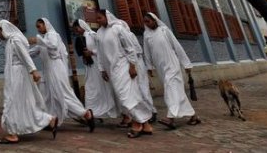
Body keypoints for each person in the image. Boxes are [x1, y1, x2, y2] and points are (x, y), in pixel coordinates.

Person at [0, 20, 57, 144]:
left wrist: (33, 71)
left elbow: (25, 56)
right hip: (16, 74)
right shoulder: (12, 40)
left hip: (17, 76)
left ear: (3, 29)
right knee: (24, 103)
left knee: (12, 101)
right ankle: (49, 120)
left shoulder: (15, 40)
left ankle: (12, 134)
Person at [28, 18, 95, 132]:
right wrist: (21, 51)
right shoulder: (44, 39)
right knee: (51, 96)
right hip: (49, 71)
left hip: (56, 69)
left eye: (39, 26)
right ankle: (52, 121)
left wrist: (37, 40)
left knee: (62, 95)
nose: (38, 29)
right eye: (37, 27)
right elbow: (34, 52)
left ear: (46, 25)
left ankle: (85, 113)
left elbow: (53, 45)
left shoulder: (53, 35)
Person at [96, 10, 153, 138]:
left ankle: (137, 123)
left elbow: (130, 48)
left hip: (124, 67)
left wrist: (132, 65)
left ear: (106, 17)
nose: (97, 21)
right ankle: (146, 124)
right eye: (97, 19)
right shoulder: (99, 33)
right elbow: (100, 53)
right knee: (127, 96)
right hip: (112, 70)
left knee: (127, 97)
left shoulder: (118, 29)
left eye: (99, 18)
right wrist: (102, 69)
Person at [143, 13, 201, 128]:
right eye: (145, 22)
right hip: (160, 68)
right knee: (176, 91)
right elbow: (147, 51)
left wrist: (186, 63)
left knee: (170, 88)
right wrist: (149, 67)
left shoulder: (164, 30)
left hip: (172, 64)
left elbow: (177, 46)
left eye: (148, 21)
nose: (147, 23)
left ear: (154, 20)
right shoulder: (146, 35)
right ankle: (193, 116)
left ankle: (170, 117)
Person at [72, 19, 119, 120]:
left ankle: (101, 111)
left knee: (100, 88)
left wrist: (92, 52)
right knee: (90, 88)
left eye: (77, 28)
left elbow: (102, 49)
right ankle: (91, 111)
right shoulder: (81, 38)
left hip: (98, 66)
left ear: (81, 26)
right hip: (89, 67)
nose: (77, 30)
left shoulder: (92, 35)